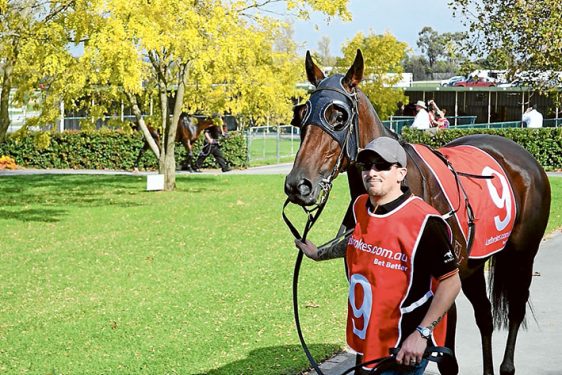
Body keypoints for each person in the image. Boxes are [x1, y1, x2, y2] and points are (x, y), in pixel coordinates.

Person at [294, 137, 461, 375]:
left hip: (402, 346)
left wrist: (422, 334)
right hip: (368, 340)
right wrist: (318, 254)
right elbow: (354, 242)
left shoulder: (425, 221)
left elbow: (451, 281)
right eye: (367, 166)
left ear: (401, 173)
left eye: (382, 166)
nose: (372, 172)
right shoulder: (359, 206)